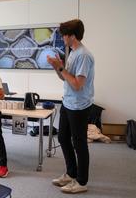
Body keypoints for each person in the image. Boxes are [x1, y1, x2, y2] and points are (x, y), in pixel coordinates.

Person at [47, 19, 94, 194]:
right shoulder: (73, 52)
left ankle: (81, 182)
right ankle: (71, 173)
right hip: (68, 103)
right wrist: (56, 67)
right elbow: (64, 78)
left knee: (79, 143)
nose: (62, 38)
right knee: (62, 138)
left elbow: (77, 84)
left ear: (72, 36)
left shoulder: (83, 55)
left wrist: (60, 67)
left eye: (64, 35)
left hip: (79, 106)